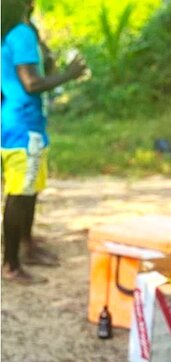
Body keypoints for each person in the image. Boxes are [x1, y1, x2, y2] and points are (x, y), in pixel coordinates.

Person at [2, 0, 87, 284]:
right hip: (23, 125)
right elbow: (31, 83)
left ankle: (28, 247)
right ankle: (11, 265)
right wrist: (70, 74)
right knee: (20, 192)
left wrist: (49, 62)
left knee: (30, 188)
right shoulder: (21, 33)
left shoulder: (17, 32)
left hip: (20, 121)